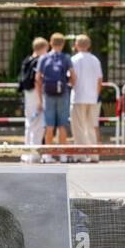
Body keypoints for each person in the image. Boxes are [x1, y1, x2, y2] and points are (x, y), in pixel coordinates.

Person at [36, 32, 75, 161]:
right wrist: (69, 85)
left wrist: (39, 98)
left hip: (48, 94)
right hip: (62, 93)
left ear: (50, 43)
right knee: (62, 124)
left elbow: (38, 79)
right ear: (63, 44)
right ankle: (63, 155)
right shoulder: (66, 58)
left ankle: (48, 155)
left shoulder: (43, 58)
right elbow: (73, 76)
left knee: (49, 125)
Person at [69, 34, 103, 163]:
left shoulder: (74, 59)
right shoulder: (95, 60)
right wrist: (96, 95)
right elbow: (100, 80)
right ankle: (94, 155)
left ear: (77, 45)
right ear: (89, 46)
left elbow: (72, 78)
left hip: (78, 97)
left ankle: (81, 155)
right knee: (91, 126)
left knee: (78, 127)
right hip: (92, 97)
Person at [18, 37, 48, 164]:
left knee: (29, 124)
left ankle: (26, 153)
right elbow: (38, 81)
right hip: (37, 94)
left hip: (27, 94)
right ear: (43, 48)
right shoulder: (40, 61)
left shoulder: (27, 60)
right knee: (39, 124)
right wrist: (41, 100)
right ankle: (35, 155)